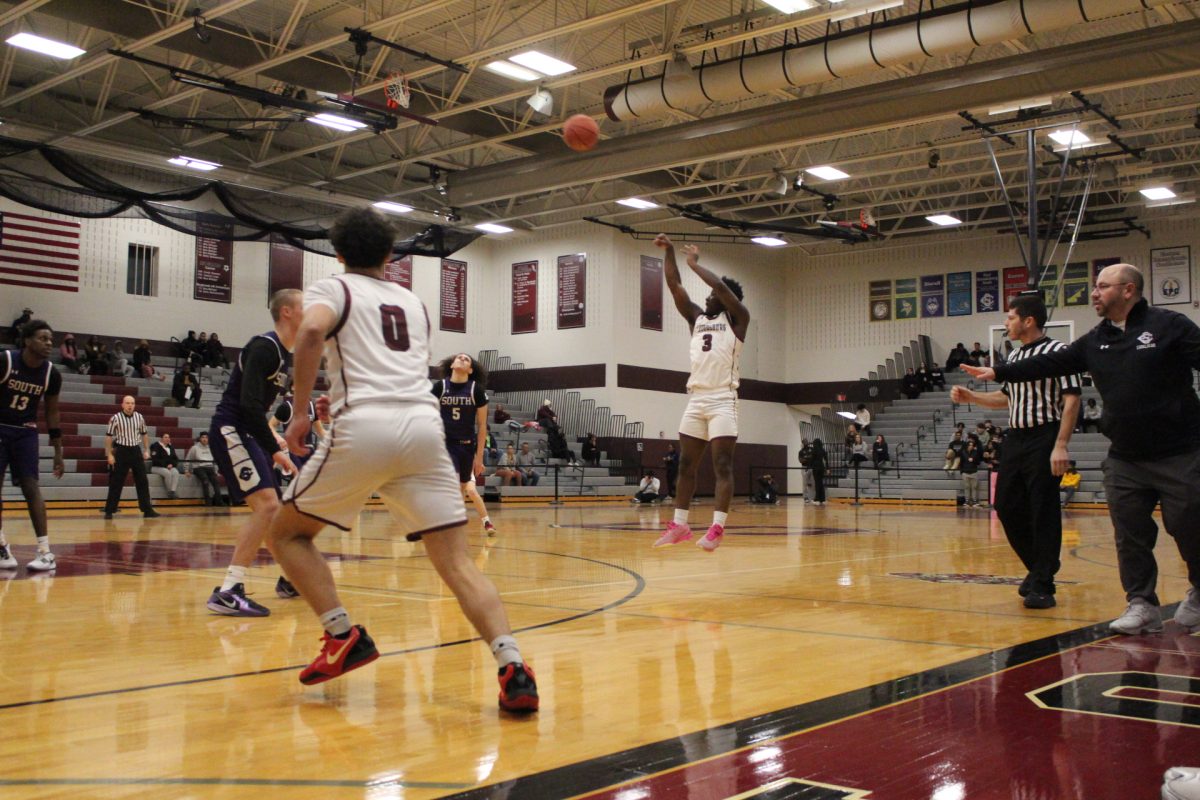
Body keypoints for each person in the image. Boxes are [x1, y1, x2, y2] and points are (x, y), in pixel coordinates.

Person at [266, 206, 538, 710]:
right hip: (422, 430)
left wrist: (301, 411)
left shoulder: (333, 287)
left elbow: (308, 334)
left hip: (366, 427)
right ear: (391, 256)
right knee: (457, 562)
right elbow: (387, 365)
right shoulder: (413, 302)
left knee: (285, 533)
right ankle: (513, 666)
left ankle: (341, 634)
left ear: (339, 252)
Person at [965, 264, 1200, 634]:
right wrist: (999, 373)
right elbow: (1053, 361)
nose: (1094, 293)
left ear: (1128, 290)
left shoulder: (1170, 325)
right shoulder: (1094, 340)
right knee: (1129, 534)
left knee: (1188, 526)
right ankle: (1141, 603)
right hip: (1124, 456)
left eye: (1102, 286)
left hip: (1179, 451)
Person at [954, 293, 1082, 611]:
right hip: (1016, 438)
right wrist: (974, 398)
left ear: (1028, 321)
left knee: (1043, 509)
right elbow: (1007, 398)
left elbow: (1072, 400)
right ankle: (1041, 568)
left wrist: (1061, 444)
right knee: (1006, 505)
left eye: (1010, 317)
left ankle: (1043, 582)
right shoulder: (1013, 357)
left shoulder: (1058, 352)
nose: (1005, 323)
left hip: (1045, 435)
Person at [204, 289, 302, 617]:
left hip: (246, 430)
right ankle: (230, 589)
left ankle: (290, 577)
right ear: (287, 312)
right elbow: (247, 406)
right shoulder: (265, 347)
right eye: (306, 305)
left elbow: (257, 409)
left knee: (271, 511)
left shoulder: (286, 356)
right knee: (268, 505)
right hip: (231, 429)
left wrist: (272, 436)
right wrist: (275, 450)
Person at [651, 234, 750, 553]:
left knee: (722, 464)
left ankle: (718, 527)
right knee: (684, 465)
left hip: (724, 398)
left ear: (726, 300)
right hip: (696, 398)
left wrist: (695, 263)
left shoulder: (738, 320)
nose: (707, 298)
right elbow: (675, 286)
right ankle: (680, 524)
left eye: (712, 295)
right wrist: (669, 253)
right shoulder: (697, 319)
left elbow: (721, 288)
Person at [0, 320, 64, 572]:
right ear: (27, 341)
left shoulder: (51, 374)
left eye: (51, 339)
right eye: (43, 338)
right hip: (0, 425)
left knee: (31, 486)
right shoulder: (5, 360)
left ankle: (45, 552)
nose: (49, 343)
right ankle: (2, 547)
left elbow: (52, 413)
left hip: (25, 431)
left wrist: (58, 451)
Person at [431, 352, 496, 535]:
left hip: (467, 446)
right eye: (458, 358)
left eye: (466, 359)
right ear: (452, 365)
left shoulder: (476, 391)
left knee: (462, 488)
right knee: (451, 482)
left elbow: (482, 426)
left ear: (470, 369)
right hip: (446, 444)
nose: (462, 359)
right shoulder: (440, 387)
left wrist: (479, 457)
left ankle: (454, 524)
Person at [102, 395, 160, 520]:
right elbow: (108, 437)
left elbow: (144, 434)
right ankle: (109, 510)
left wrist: (146, 449)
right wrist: (109, 454)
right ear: (122, 404)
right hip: (122, 450)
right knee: (116, 482)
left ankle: (147, 509)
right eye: (127, 403)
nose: (130, 405)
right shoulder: (116, 418)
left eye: (132, 403)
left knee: (142, 481)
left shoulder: (139, 417)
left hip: (135, 450)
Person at [270, 395, 327, 475]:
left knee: (314, 477)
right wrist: (278, 437)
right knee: (299, 477)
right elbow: (270, 425)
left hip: (308, 448)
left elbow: (321, 431)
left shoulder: (312, 407)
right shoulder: (286, 406)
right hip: (292, 450)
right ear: (293, 386)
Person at [185, 431, 224, 506]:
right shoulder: (194, 448)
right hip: (198, 467)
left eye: (206, 437)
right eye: (203, 437)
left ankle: (219, 501)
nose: (204, 439)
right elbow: (187, 459)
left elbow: (215, 461)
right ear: (200, 439)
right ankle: (208, 502)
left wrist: (216, 471)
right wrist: (187, 470)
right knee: (205, 480)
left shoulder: (211, 448)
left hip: (210, 467)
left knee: (216, 482)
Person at [149, 432, 181, 499]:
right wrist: (166, 465)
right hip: (157, 467)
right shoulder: (155, 446)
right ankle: (169, 492)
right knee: (167, 473)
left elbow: (175, 459)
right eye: (165, 437)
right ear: (161, 439)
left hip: (168, 466)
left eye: (168, 437)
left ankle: (173, 491)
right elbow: (155, 459)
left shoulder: (171, 447)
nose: (167, 439)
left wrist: (172, 464)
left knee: (175, 472)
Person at [960, 438, 983, 508]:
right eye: (969, 445)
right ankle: (967, 501)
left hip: (974, 472)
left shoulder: (975, 452)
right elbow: (961, 462)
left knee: (974, 487)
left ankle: (975, 501)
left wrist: (974, 459)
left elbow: (978, 462)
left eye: (972, 445)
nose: (970, 446)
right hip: (965, 472)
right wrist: (962, 472)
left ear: (973, 446)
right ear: (967, 446)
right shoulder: (963, 452)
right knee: (966, 487)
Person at [808, 439, 828, 505]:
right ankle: (823, 499)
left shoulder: (814, 450)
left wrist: (809, 466)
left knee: (817, 483)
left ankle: (817, 499)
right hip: (822, 468)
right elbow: (826, 459)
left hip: (816, 468)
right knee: (821, 483)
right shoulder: (822, 450)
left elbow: (811, 460)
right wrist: (827, 468)